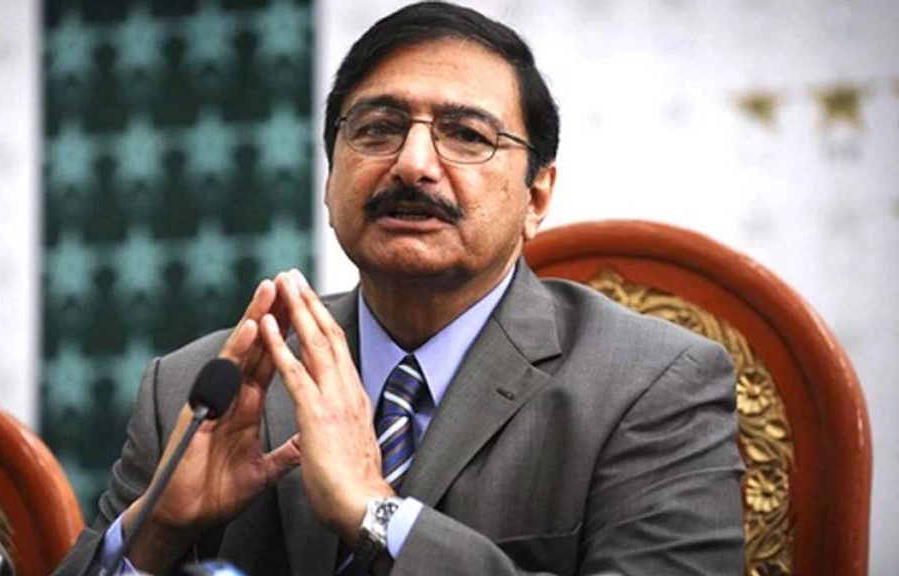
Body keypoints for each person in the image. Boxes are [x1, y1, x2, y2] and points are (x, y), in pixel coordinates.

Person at [54, 2, 744, 575]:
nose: (413, 164)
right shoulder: (202, 389)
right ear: (330, 178)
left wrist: (378, 514)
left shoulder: (652, 387)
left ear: (537, 196)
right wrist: (156, 533)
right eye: (378, 129)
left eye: (466, 134)